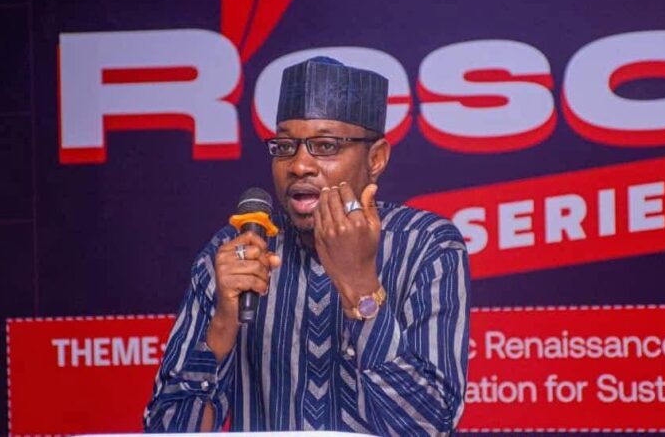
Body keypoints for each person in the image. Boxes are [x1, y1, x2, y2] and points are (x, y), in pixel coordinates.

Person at [144, 56, 470, 435]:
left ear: (376, 158)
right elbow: (165, 431)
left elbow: (429, 426)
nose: (299, 165)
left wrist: (360, 287)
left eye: (326, 146)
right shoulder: (237, 252)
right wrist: (222, 325)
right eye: (285, 146)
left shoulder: (427, 245)